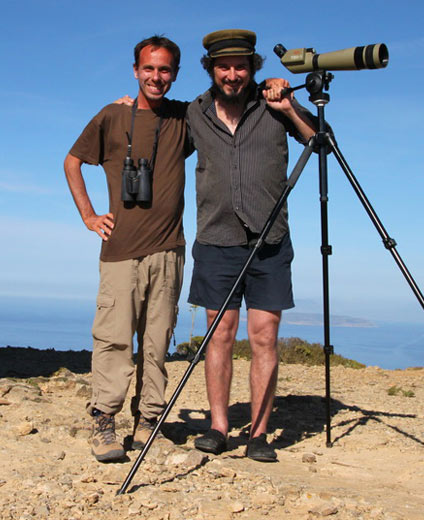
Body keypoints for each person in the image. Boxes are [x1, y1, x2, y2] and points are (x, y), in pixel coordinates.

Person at [186, 29, 318, 462]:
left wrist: (289, 107)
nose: (233, 74)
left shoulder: (273, 105)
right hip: (216, 239)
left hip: (270, 240)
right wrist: (130, 107)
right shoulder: (194, 113)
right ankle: (219, 427)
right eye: (224, 66)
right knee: (218, 335)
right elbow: (161, 137)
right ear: (211, 69)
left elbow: (320, 143)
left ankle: (259, 433)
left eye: (241, 66)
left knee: (264, 337)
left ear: (252, 67)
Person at [63, 35, 191, 463]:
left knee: (158, 342)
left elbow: (230, 99)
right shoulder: (112, 116)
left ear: (175, 73)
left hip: (169, 250)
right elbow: (72, 160)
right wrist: (88, 215)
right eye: (149, 69)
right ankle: (104, 421)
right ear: (136, 70)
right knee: (114, 340)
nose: (157, 77)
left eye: (165, 69)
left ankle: (151, 420)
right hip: (119, 250)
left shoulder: (185, 118)